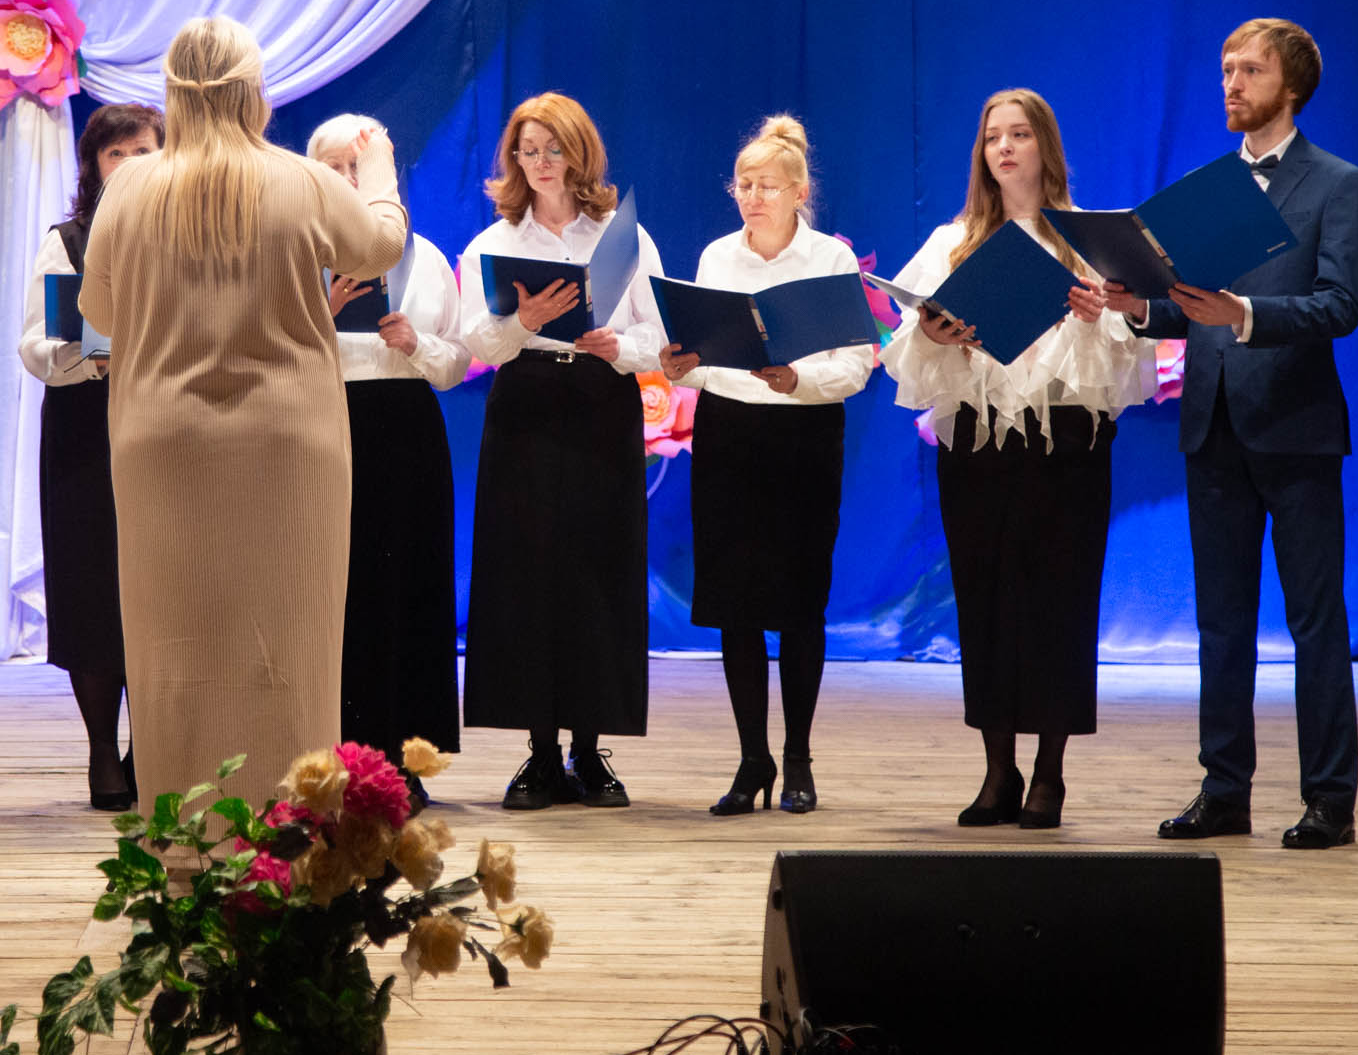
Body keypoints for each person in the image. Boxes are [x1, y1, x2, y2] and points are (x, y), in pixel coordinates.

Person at [79, 18, 407, 810]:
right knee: (292, 646)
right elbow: (380, 246)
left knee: (170, 649)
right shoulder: (304, 180)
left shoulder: (129, 185)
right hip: (290, 443)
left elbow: (99, 311)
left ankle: (184, 835)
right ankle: (291, 837)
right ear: (254, 93)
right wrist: (379, 168)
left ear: (173, 94)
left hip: (162, 442)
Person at [1105, 20, 1358, 851]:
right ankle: (1224, 789)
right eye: (1225, 68)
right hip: (1213, 427)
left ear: (1289, 86)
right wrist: (1137, 309)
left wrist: (1247, 313)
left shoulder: (1339, 183)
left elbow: (1340, 305)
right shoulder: (1210, 188)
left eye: (1249, 70)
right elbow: (1190, 309)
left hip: (1295, 428)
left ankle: (1330, 797)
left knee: (1315, 622)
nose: (1230, 83)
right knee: (1221, 623)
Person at [879, 89, 1153, 831]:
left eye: (1019, 134)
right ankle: (998, 770)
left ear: (1045, 148)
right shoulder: (954, 240)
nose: (1004, 147)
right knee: (986, 600)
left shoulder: (1087, 240)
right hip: (978, 447)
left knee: (1059, 601)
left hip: (1065, 446)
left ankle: (1050, 773)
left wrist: (1101, 317)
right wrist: (933, 332)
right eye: (993, 136)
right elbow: (904, 348)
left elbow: (1132, 359)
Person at [658, 115, 874, 817]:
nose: (753, 197)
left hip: (804, 434)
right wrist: (683, 366)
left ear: (800, 191)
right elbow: (704, 353)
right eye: (743, 185)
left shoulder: (830, 260)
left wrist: (798, 379)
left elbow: (856, 363)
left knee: (801, 602)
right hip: (730, 433)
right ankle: (753, 757)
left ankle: (799, 758)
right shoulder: (718, 256)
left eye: (768, 186)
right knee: (737, 604)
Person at [456, 92, 666, 810]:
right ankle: (541, 753)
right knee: (527, 572)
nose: (541, 162)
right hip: (526, 403)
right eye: (527, 150)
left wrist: (620, 345)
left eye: (553, 149)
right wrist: (522, 321)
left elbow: (660, 337)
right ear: (513, 159)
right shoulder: (494, 242)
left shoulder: (621, 237)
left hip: (601, 401)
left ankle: (589, 749)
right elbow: (477, 343)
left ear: (579, 154)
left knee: (597, 569)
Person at [308, 113, 471, 811]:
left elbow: (457, 362)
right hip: (324, 426)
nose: (350, 181)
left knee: (408, 589)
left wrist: (416, 344)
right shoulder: (295, 253)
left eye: (362, 168)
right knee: (333, 594)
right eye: (337, 168)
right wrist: (321, 313)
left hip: (405, 432)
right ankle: (329, 756)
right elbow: (263, 351)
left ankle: (405, 761)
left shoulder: (424, 257)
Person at [19, 101, 164, 810]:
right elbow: (35, 346)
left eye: (144, 152)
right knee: (93, 589)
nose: (130, 165)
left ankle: (154, 746)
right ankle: (103, 749)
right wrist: (88, 357)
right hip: (86, 431)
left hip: (168, 430)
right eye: (116, 153)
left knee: (163, 591)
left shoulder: (191, 239)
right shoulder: (67, 241)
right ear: (94, 166)